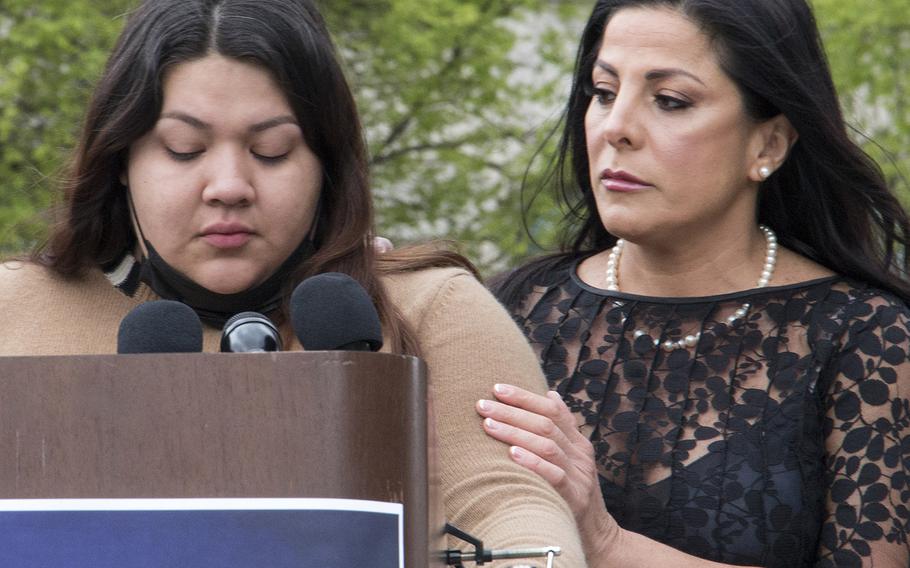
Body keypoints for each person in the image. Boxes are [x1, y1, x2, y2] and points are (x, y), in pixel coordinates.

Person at [0, 0, 586, 564]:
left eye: (272, 151)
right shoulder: (13, 310)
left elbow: (512, 508)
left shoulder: (432, 308)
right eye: (184, 150)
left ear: (327, 165)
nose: (228, 185)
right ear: (121, 162)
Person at [476, 1, 910, 567]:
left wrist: (605, 542)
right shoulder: (512, 307)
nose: (616, 128)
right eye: (604, 92)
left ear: (769, 144)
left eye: (670, 101)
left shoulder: (865, 336)